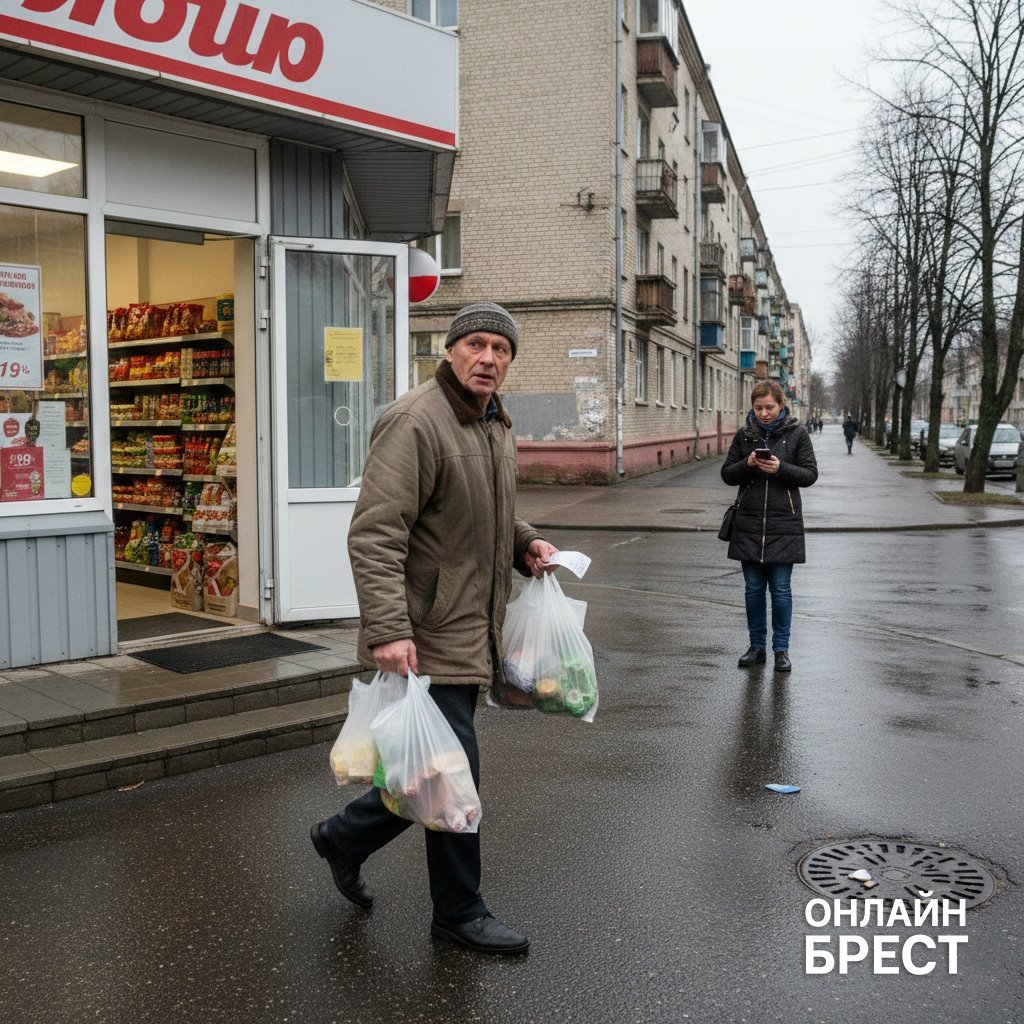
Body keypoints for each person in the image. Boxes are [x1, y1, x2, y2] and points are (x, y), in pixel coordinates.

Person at [310, 301, 557, 956]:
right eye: (475, 344)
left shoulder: (492, 421)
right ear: (449, 351)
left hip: (469, 625)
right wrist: (389, 629)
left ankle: (343, 838)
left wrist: (525, 543)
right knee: (454, 776)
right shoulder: (417, 420)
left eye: (500, 349)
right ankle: (458, 910)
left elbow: (486, 513)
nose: (488, 358)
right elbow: (375, 534)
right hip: (426, 633)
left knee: (431, 771)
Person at [721, 380, 818, 673]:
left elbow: (810, 474)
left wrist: (781, 469)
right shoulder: (745, 436)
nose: (763, 413)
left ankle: (782, 650)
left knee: (780, 590)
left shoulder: (797, 434)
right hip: (748, 524)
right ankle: (756, 647)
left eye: (769, 407)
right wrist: (748, 464)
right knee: (752, 589)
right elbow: (727, 474)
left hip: (783, 524)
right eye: (758, 407)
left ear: (781, 405)